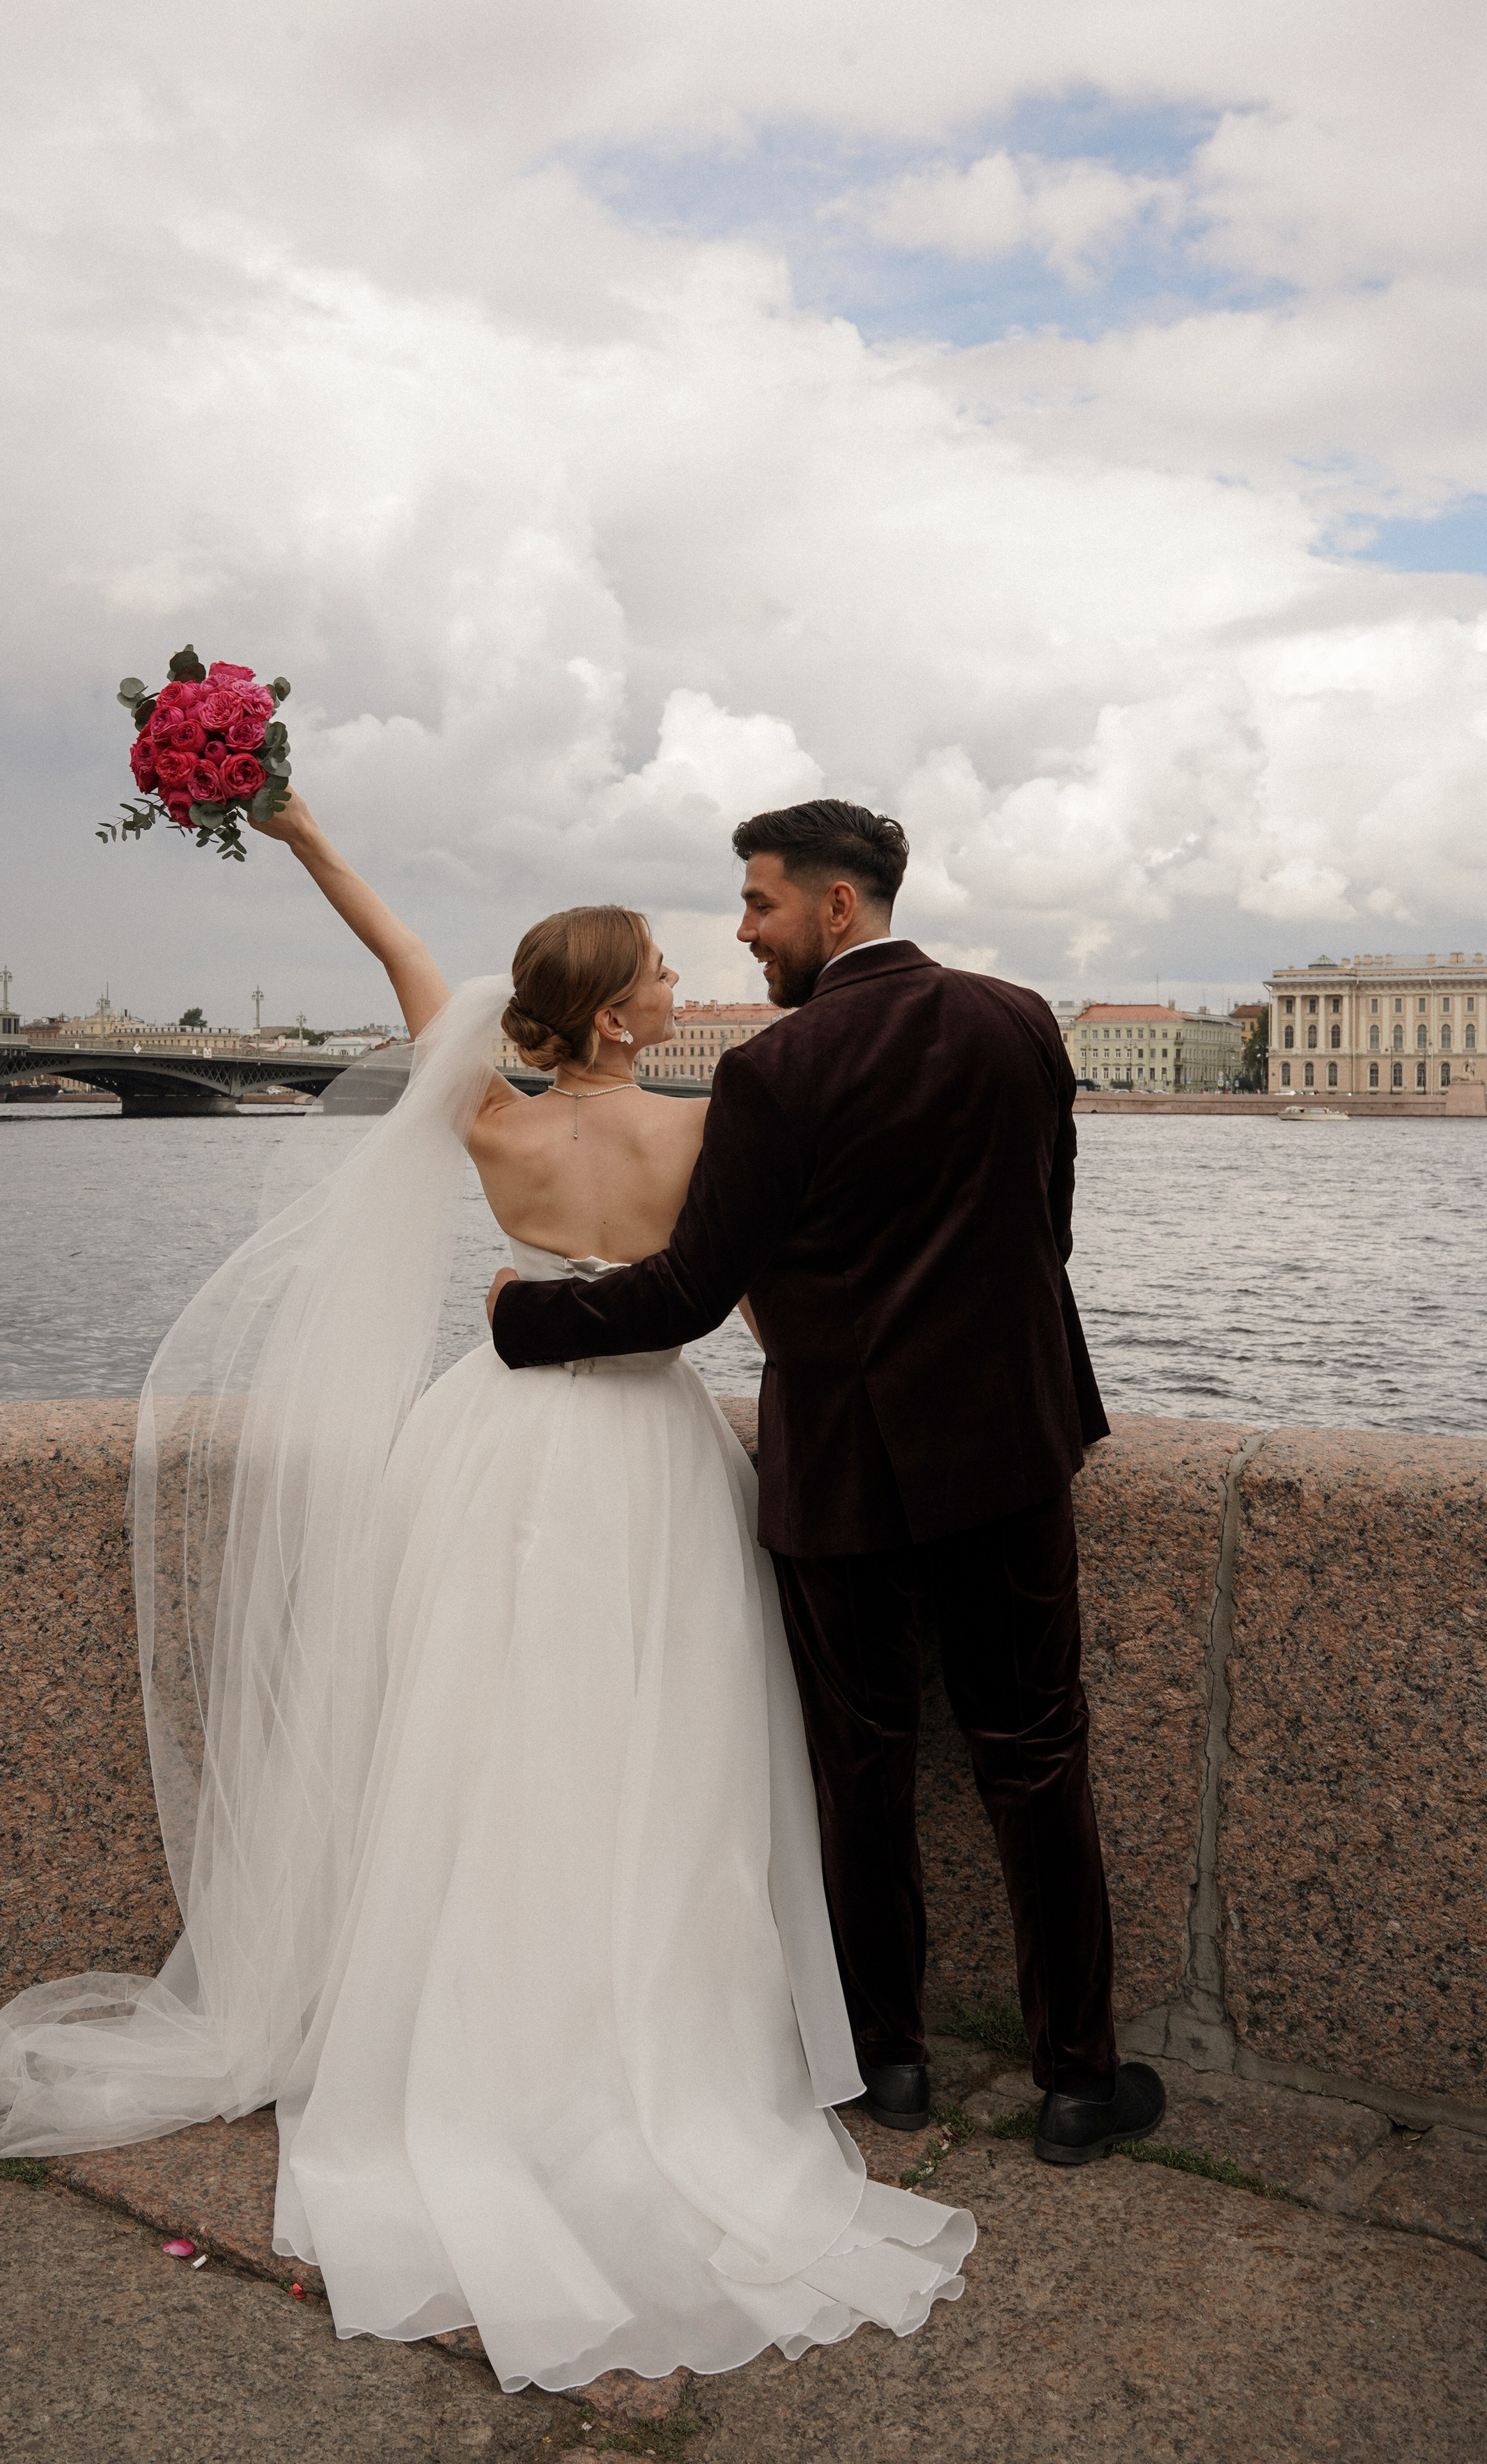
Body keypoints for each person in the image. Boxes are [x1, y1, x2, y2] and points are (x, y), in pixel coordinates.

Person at [0, 786, 974, 2396]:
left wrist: (296, 829)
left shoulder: (485, 1116)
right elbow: (742, 1288)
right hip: (641, 1448)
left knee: (467, 1732)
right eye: (653, 965)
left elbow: (400, 950)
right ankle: (647, 2029)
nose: (678, 976)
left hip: (492, 1437)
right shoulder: (707, 1125)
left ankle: (456, 2020)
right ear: (611, 1005)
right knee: (654, 1744)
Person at [489, 797, 1167, 2169]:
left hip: (843, 1468)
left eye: (757, 905)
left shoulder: (774, 1074)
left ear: (835, 908)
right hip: (1005, 1449)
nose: (740, 934)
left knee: (857, 1772)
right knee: (1034, 1758)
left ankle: (888, 2067)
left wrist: (523, 1320)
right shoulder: (1016, 1021)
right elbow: (1047, 1233)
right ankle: (1078, 2083)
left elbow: (687, 1294)